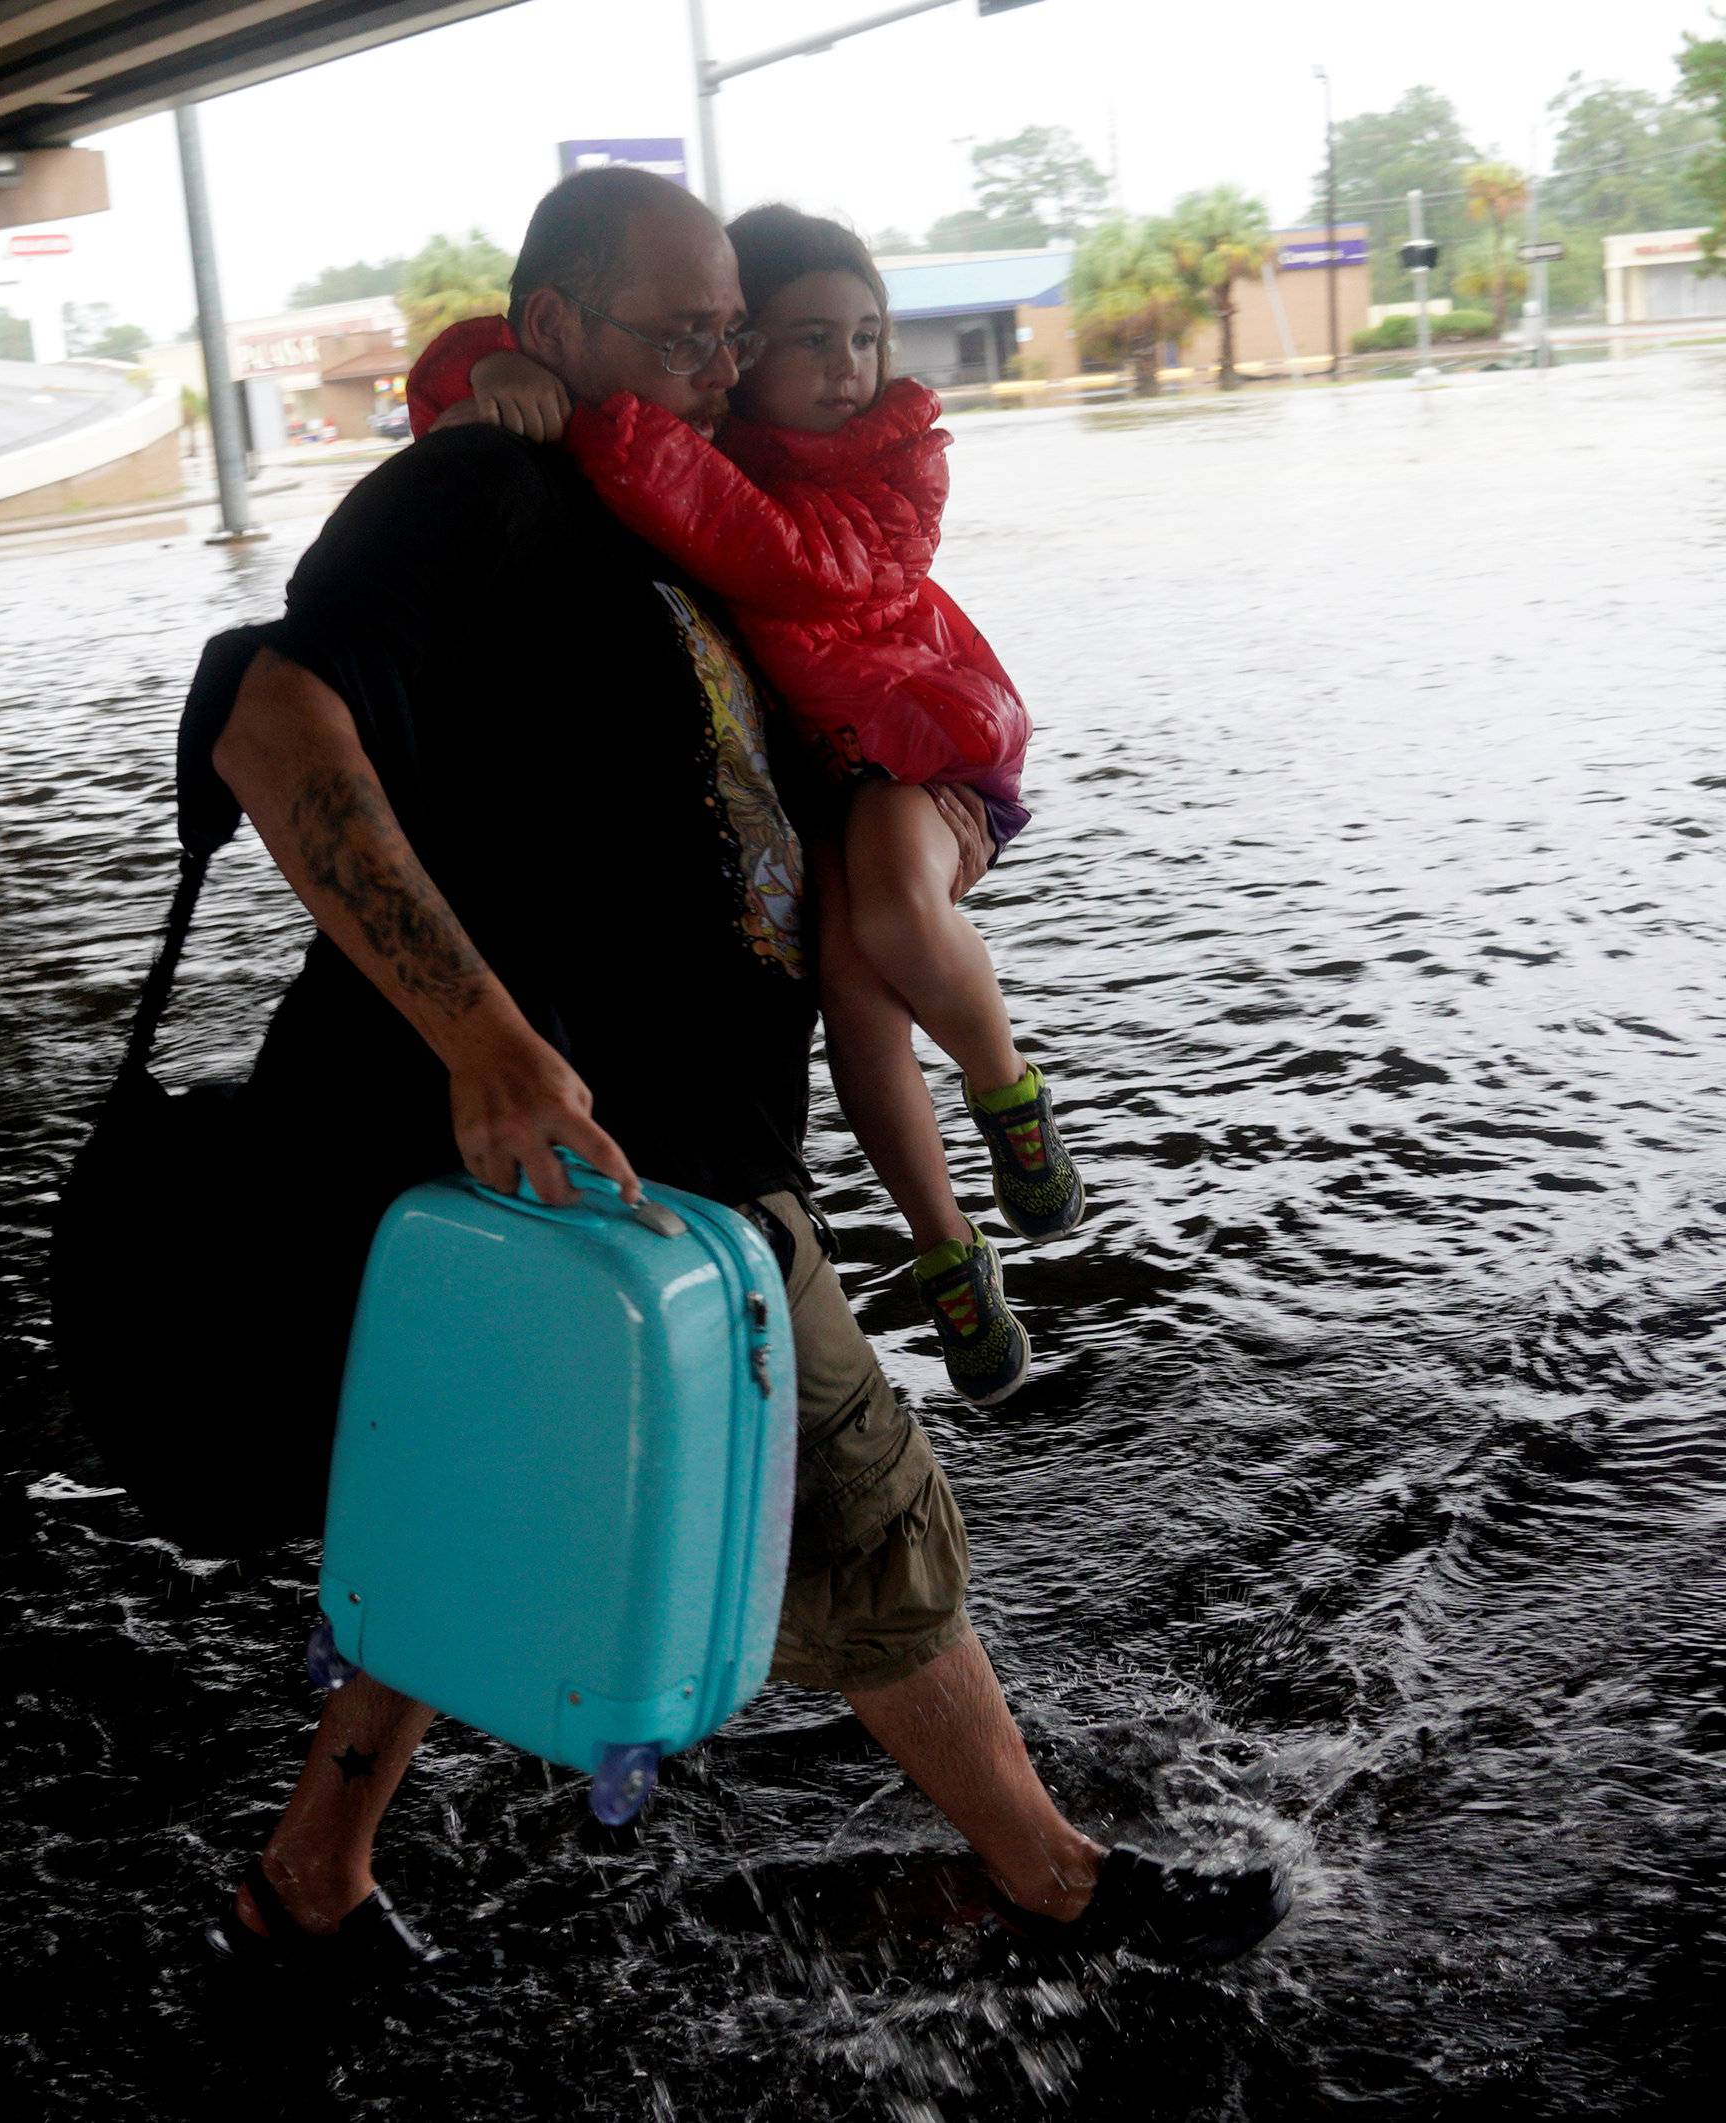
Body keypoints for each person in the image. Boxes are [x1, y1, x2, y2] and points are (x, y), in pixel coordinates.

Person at [196, 165, 1287, 1974]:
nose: (718, 368)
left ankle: (314, 1872)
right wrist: (483, 1033)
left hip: (629, 1173)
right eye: (678, 331)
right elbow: (271, 721)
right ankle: (1050, 1874)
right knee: (858, 1503)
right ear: (553, 329)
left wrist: (948, 829)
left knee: (481, 1484)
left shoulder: (681, 516)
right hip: (602, 1160)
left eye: (729, 332)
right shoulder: (477, 490)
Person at [405, 206, 1082, 1410]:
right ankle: (947, 1249)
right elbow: (514, 342)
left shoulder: (889, 455)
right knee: (857, 994)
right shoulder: (696, 440)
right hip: (819, 775)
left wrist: (612, 421)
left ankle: (1006, 1090)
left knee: (892, 912)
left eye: (866, 336)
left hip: (912, 744)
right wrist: (494, 369)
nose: (847, 366)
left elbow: (792, 563)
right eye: (801, 339)